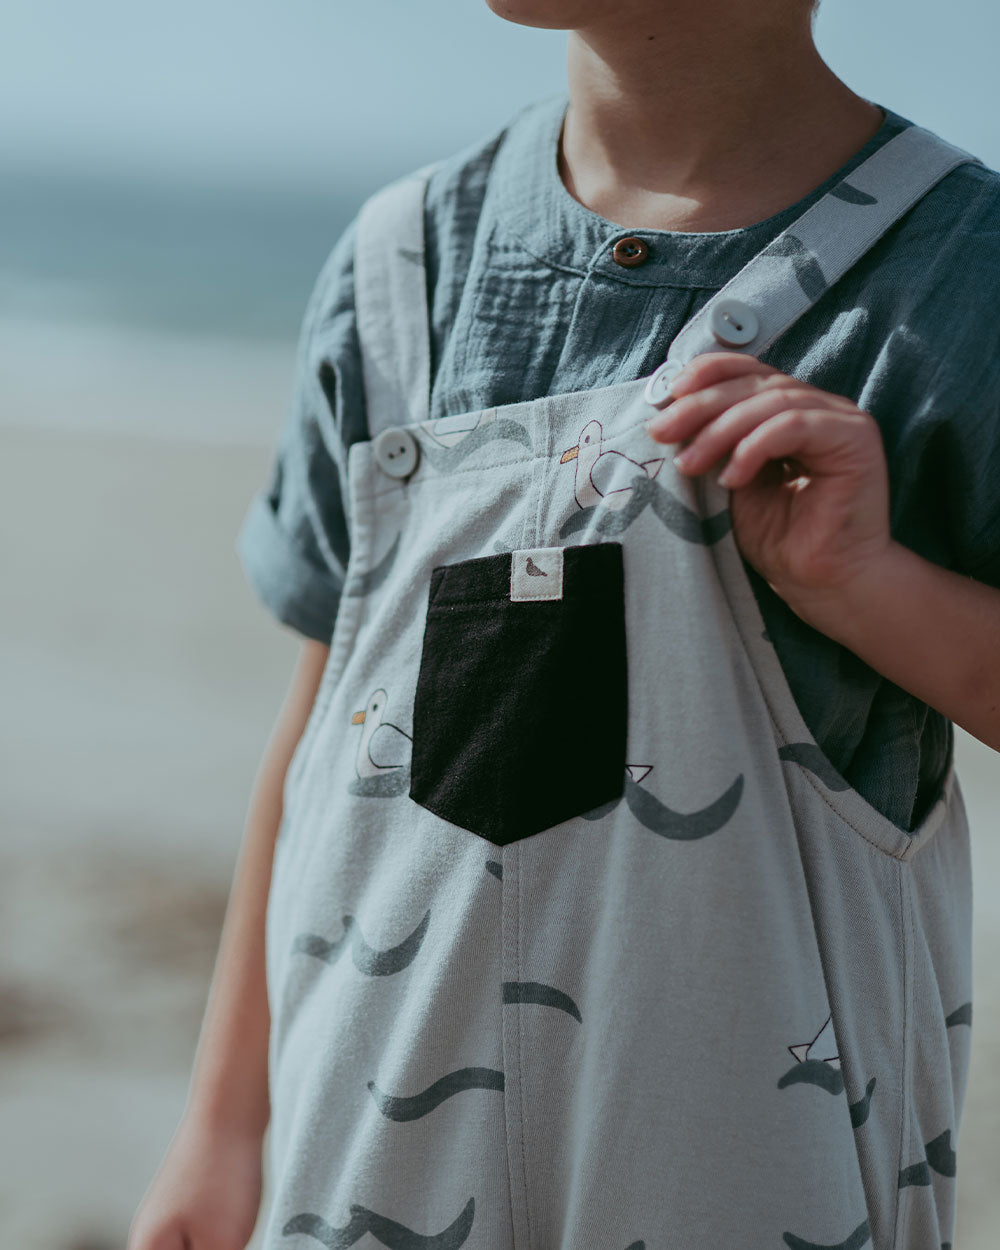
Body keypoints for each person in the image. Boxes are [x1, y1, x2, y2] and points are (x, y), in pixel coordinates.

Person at [127, 2, 1000, 1247]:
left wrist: (865, 585)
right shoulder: (401, 267)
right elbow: (322, 736)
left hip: (751, 1176)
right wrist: (221, 1130)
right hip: (364, 1160)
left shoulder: (960, 276)